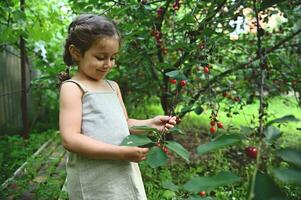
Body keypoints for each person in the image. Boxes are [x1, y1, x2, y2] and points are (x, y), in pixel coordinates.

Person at [58, 14, 177, 200]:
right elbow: (70, 139)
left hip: (121, 172)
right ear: (76, 53)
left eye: (113, 58)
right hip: (94, 177)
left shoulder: (112, 86)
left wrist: (150, 124)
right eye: (100, 57)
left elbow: (125, 123)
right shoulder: (73, 88)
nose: (108, 64)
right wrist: (120, 153)